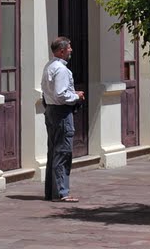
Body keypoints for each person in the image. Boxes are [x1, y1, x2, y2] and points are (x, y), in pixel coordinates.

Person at [41, 36, 85, 202]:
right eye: (69, 48)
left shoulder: (49, 66)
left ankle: (52, 192)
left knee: (53, 152)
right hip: (60, 112)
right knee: (62, 152)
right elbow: (61, 94)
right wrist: (76, 96)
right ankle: (61, 192)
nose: (71, 50)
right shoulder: (60, 70)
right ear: (61, 51)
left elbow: (45, 91)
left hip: (51, 110)